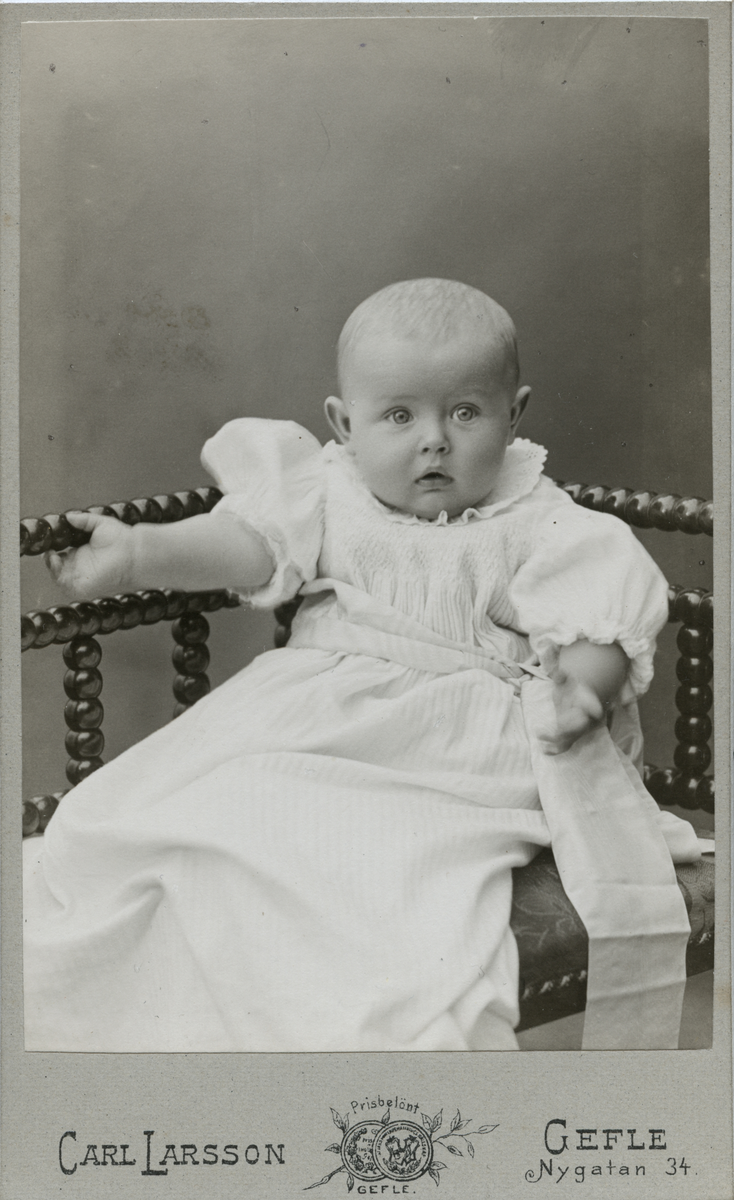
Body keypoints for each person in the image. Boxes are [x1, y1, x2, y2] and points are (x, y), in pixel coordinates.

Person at [23, 278, 701, 1053]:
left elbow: (596, 608)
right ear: (345, 425)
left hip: (457, 735)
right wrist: (140, 553)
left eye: (466, 413)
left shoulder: (538, 517)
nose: (434, 441)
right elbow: (247, 546)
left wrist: (584, 688)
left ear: (514, 416)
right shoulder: (329, 491)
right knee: (201, 807)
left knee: (382, 855)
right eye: (400, 416)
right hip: (316, 705)